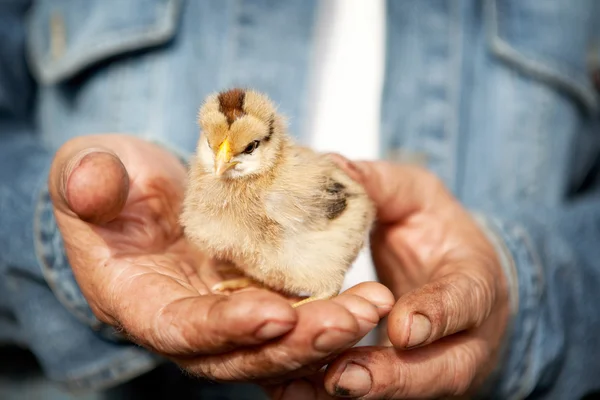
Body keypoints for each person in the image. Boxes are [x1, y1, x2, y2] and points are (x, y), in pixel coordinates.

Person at [1, 1, 600, 399]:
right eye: (215, 148)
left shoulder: (286, 185)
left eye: (244, 150)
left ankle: (309, 296)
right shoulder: (208, 177)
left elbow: (348, 205)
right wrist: (59, 231)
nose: (225, 164)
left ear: (269, 142)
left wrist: (523, 286)